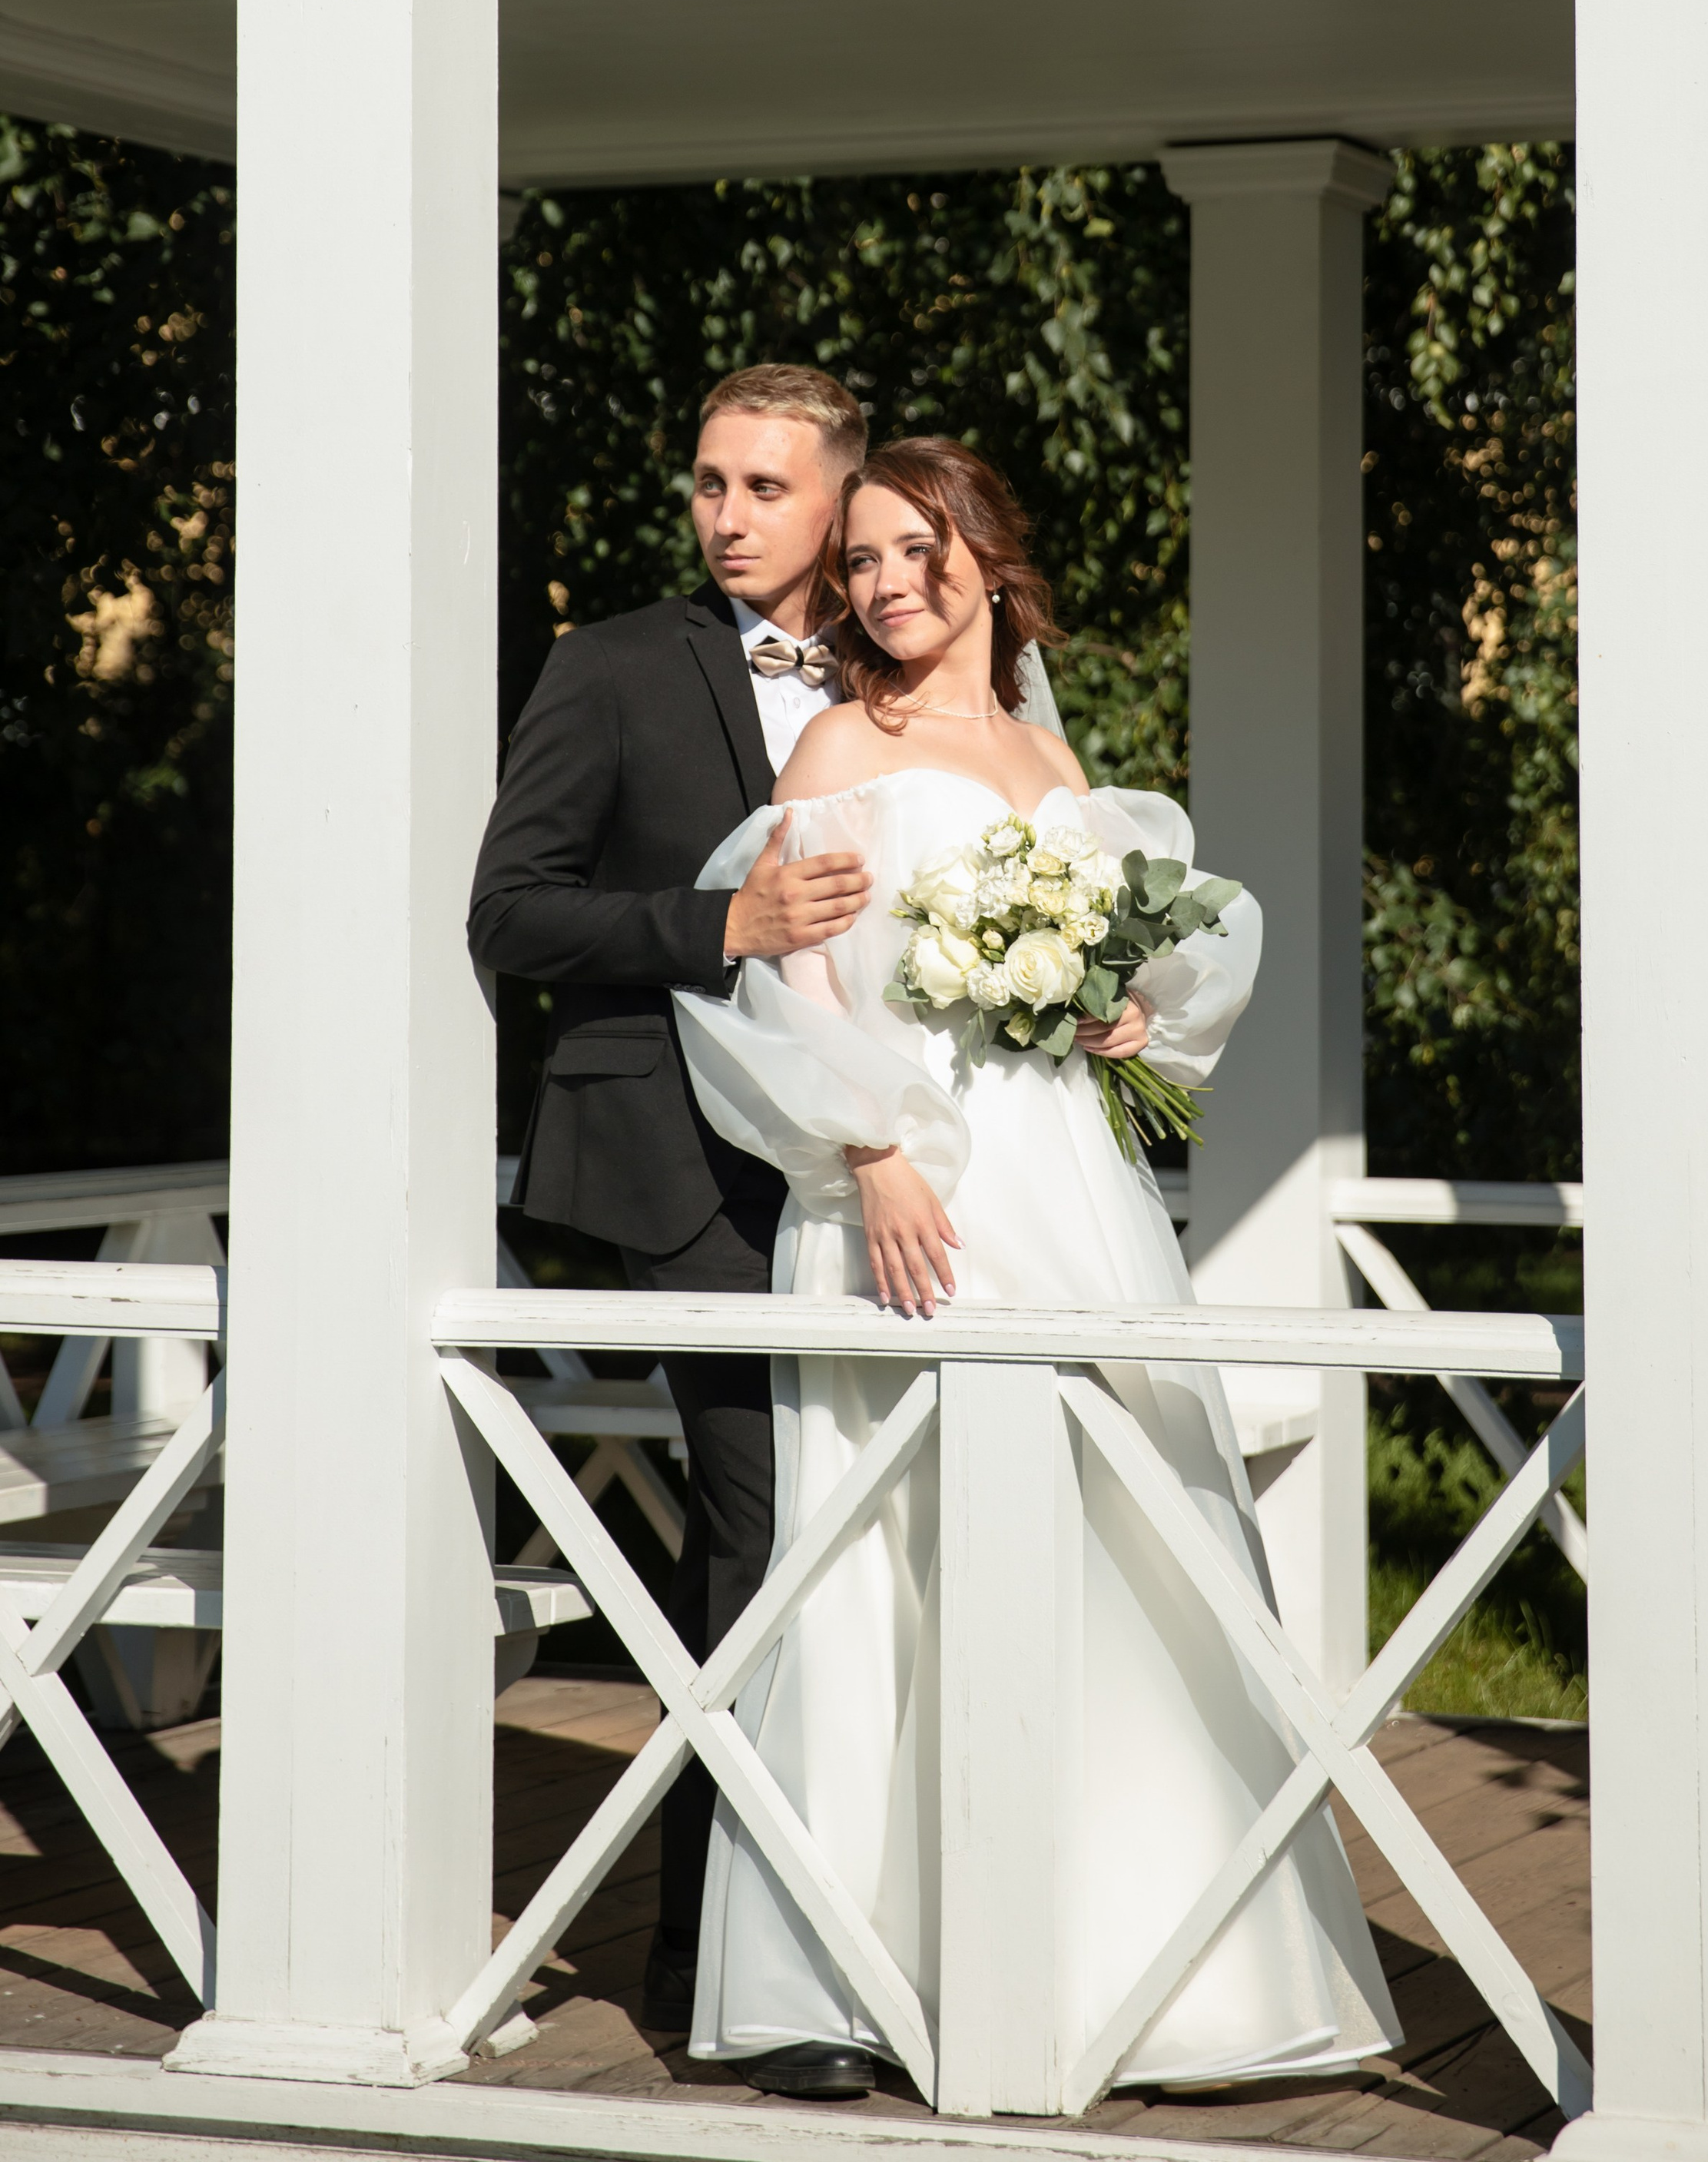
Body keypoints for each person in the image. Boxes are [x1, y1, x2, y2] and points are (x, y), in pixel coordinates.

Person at [673, 436, 1401, 2101]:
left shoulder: (1047, 751)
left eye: (912, 547)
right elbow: (786, 986)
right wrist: (866, 1158)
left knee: (1121, 1520)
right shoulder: (837, 747)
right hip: (900, 1196)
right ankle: (849, 1985)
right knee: (879, 1547)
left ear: (983, 557)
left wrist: (1123, 1007)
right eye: (857, 559)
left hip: (1063, 1182)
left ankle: (1147, 1971)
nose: (881, 582)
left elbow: (1132, 958)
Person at [466, 363, 879, 2083]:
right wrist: (719, 923)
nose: (724, 517)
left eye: (764, 489)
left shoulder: (915, 656)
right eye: (708, 481)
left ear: (841, 501)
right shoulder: (615, 662)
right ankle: (727, 1966)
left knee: (871, 1544)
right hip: (678, 1170)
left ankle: (880, 1936)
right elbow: (514, 909)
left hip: (875, 1168)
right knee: (763, 1532)